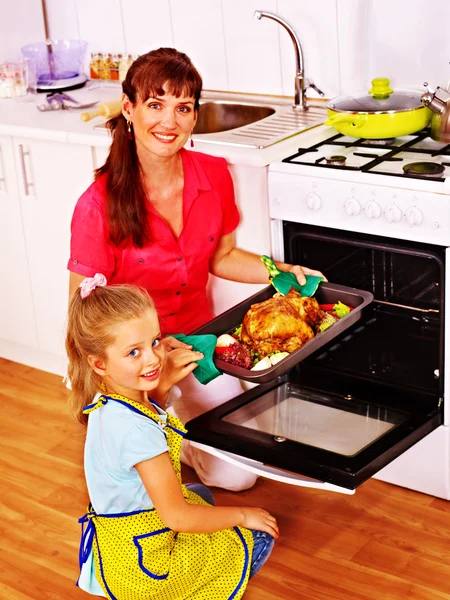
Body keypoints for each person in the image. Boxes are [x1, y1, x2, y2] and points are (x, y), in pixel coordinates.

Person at [67, 47, 325, 491]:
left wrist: (278, 271)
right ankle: (162, 427)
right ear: (129, 109)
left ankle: (181, 438)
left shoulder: (213, 175)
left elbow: (222, 257)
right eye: (155, 105)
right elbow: (85, 314)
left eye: (182, 108)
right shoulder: (98, 206)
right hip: (130, 360)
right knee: (134, 475)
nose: (169, 122)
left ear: (194, 117)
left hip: (196, 342)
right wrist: (141, 362)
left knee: (239, 476)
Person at [66, 274, 278, 599]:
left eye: (153, 342)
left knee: (200, 495)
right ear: (99, 363)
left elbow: (147, 424)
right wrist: (242, 514)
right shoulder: (137, 432)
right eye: (133, 353)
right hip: (148, 569)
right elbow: (178, 517)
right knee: (259, 536)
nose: (153, 358)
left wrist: (162, 390)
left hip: (118, 546)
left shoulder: (105, 402)